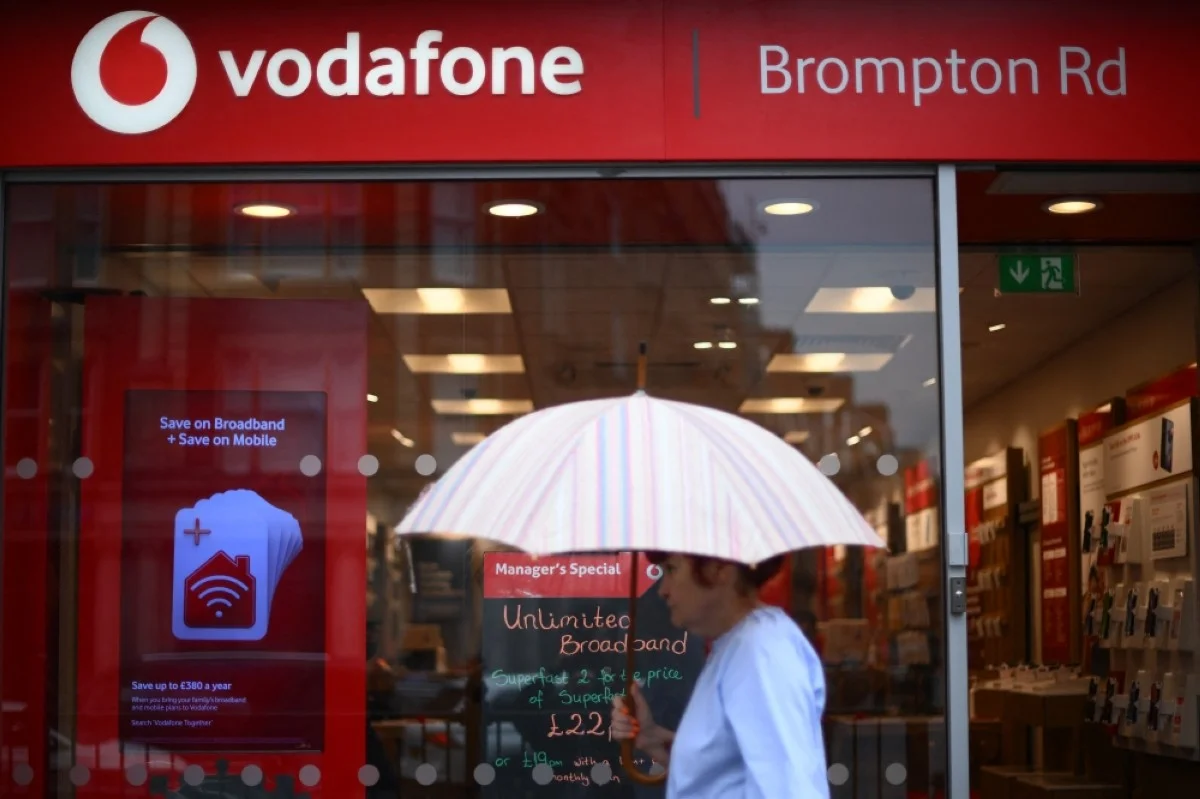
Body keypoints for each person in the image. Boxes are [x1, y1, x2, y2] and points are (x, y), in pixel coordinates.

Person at [611, 551, 829, 799]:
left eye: (672, 570)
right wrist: (653, 740)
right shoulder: (738, 645)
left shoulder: (759, 650)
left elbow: (786, 789)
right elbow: (726, 778)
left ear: (719, 569)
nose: (663, 590)